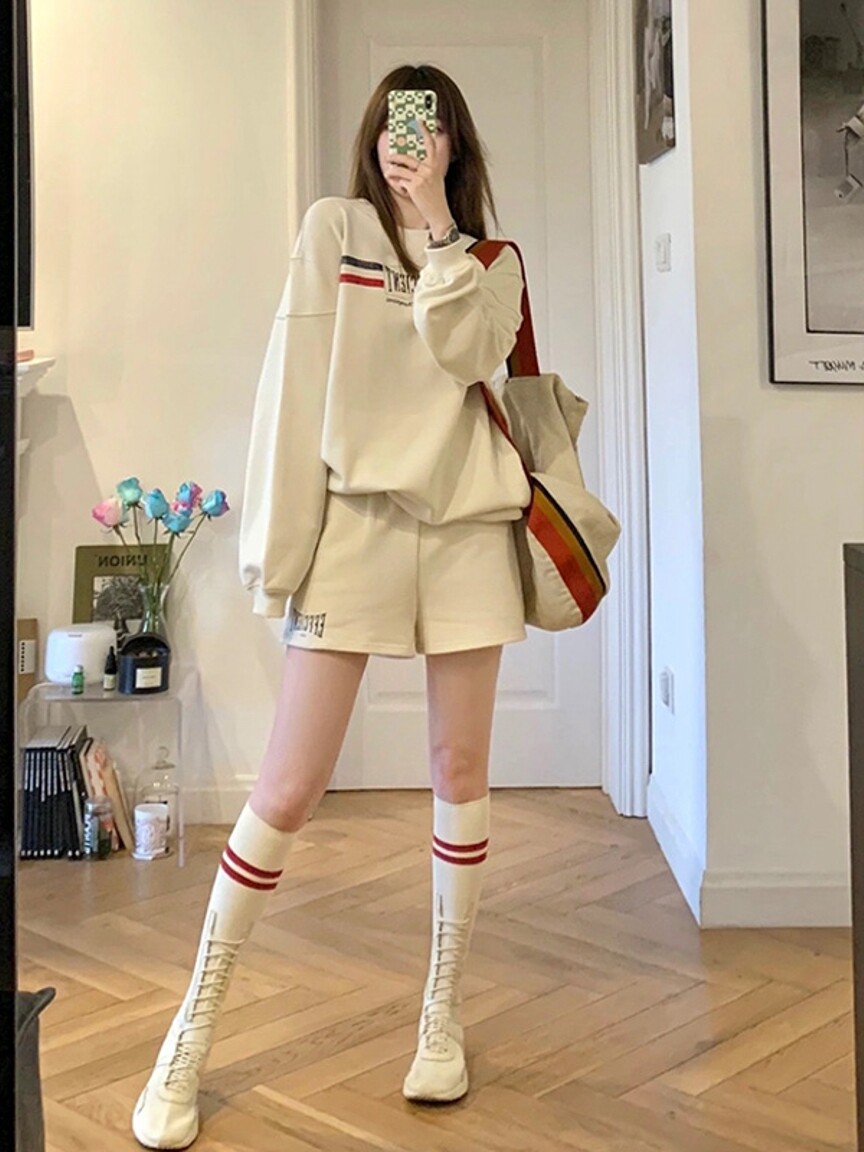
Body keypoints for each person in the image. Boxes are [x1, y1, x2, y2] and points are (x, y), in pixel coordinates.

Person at [131, 61, 531, 1150]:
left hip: (467, 530)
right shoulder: (333, 230)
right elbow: (294, 388)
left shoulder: (491, 264)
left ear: (455, 144)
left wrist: (439, 226)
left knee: (459, 771)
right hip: (354, 527)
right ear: (375, 132)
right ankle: (189, 1031)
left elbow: (465, 350)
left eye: (433, 127)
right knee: (289, 785)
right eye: (403, 123)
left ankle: (441, 1016)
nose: (415, 139)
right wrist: (278, 554)